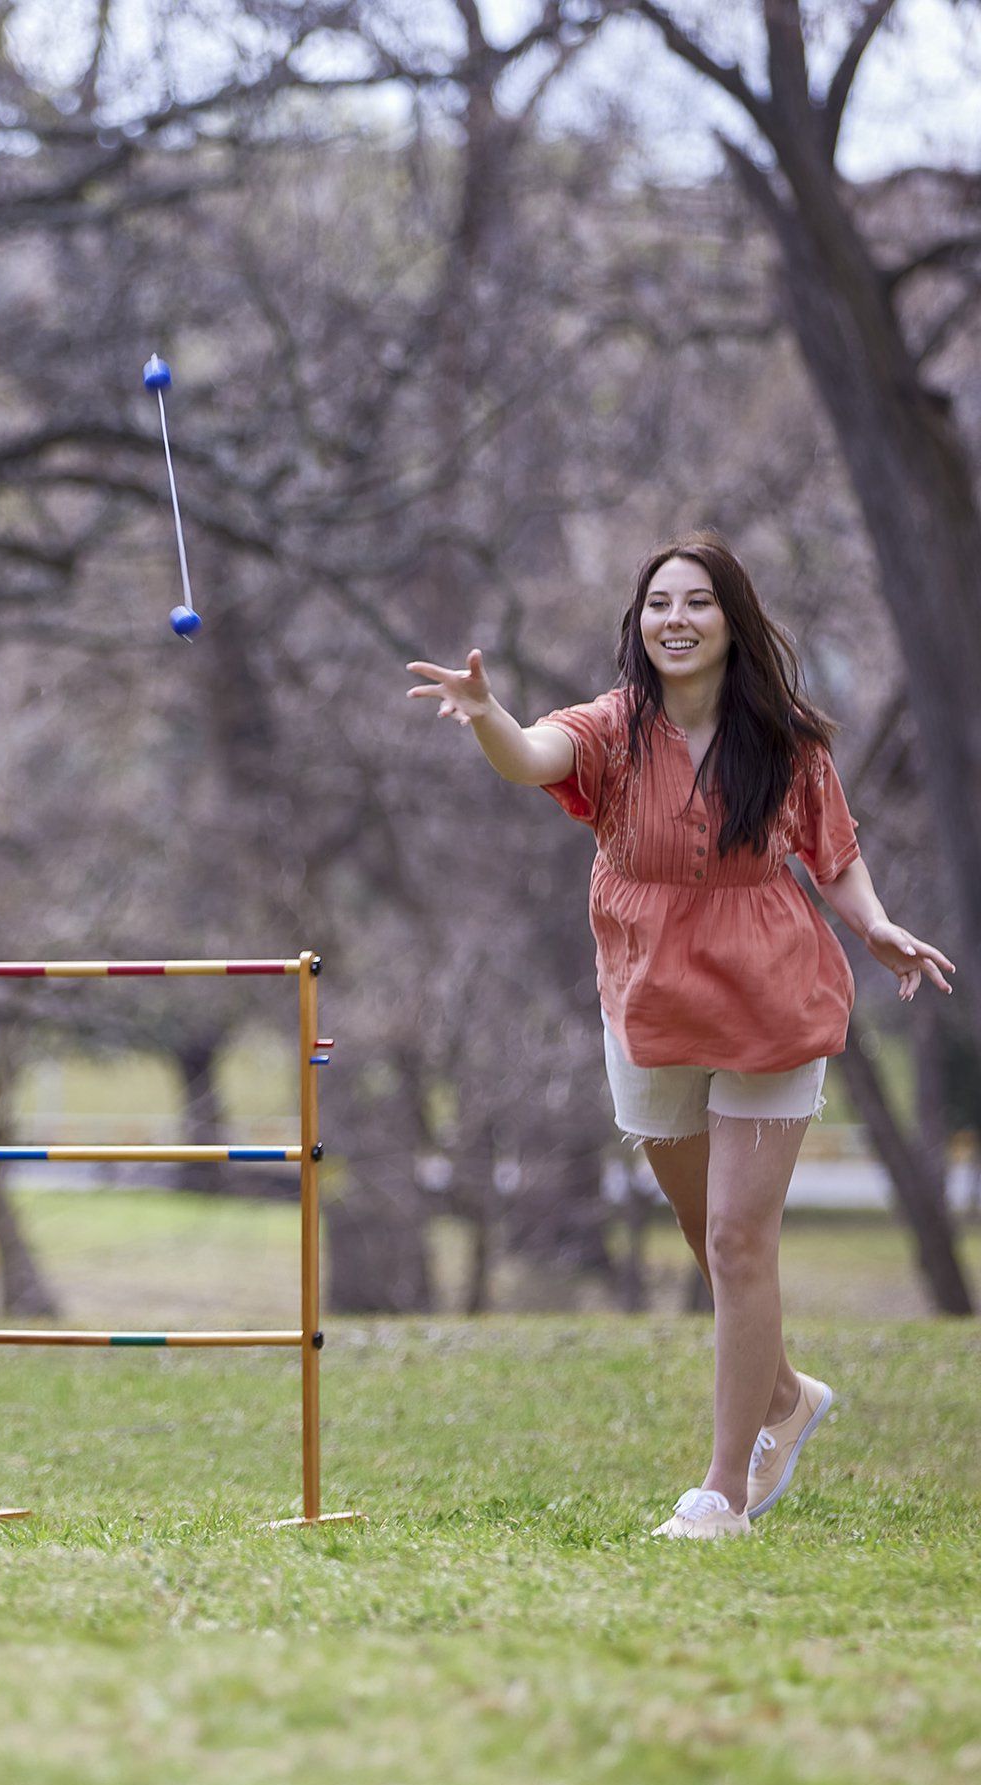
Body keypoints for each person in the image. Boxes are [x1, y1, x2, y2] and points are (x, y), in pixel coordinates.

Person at [406, 531, 955, 1540]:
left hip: (769, 994)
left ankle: (721, 1491)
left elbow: (831, 856)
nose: (674, 619)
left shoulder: (785, 740)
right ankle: (784, 1393)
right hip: (649, 998)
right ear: (637, 623)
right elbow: (534, 755)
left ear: (728, 619)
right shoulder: (613, 728)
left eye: (694, 601)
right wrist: (487, 715)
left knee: (738, 1239)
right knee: (707, 1236)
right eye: (657, 603)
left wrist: (871, 923)